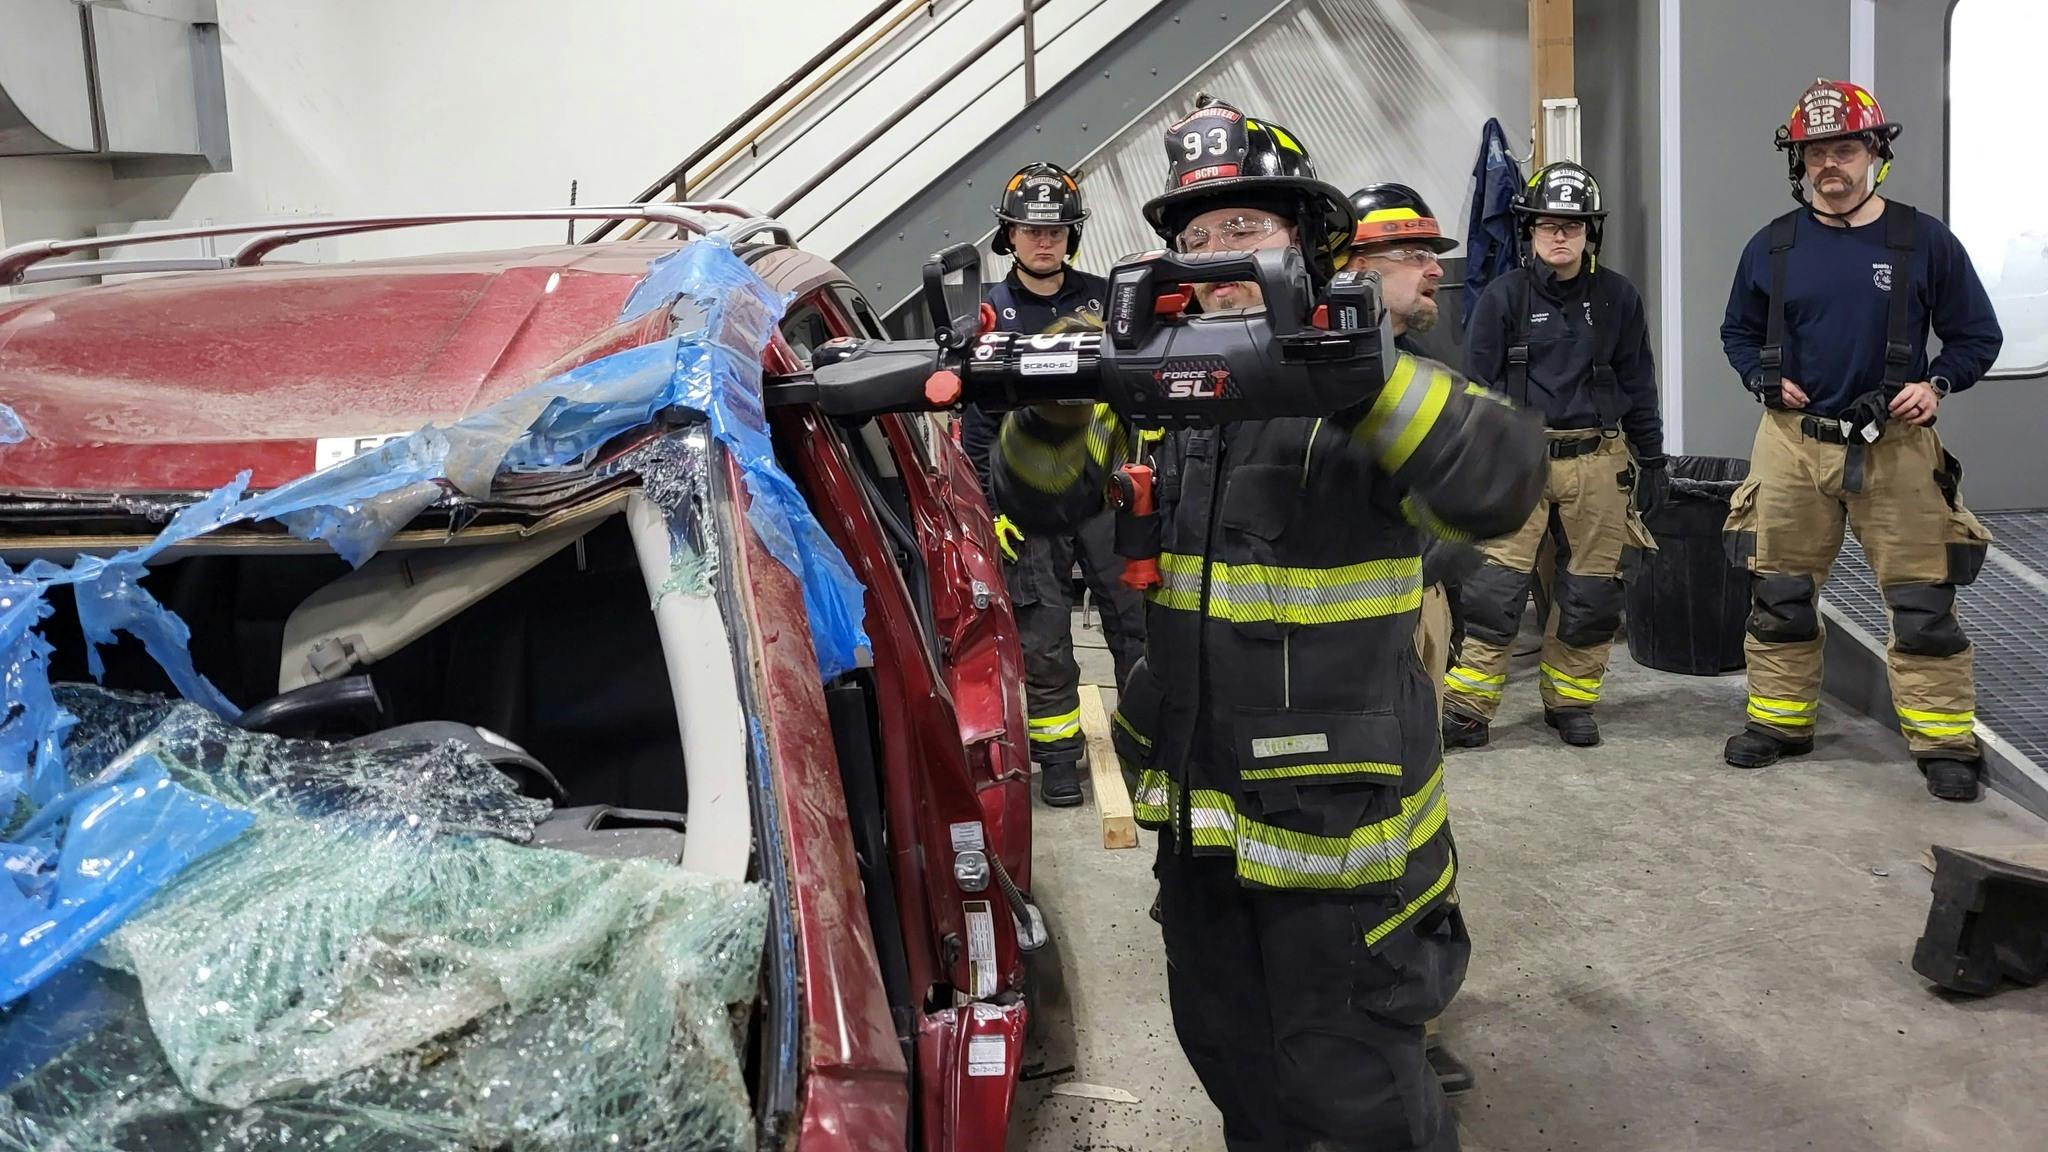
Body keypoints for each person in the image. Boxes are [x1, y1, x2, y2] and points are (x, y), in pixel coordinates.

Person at [997, 96, 1545, 1152]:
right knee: (1231, 1064)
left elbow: (1500, 482)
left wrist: (1355, 381)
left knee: (1355, 1100)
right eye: (1196, 235)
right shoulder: (1159, 388)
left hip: (1341, 856)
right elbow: (1039, 496)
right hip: (1202, 835)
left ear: (1306, 242)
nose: (1216, 255)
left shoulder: (1369, 378)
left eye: (1243, 227)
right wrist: (1060, 401)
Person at [1719, 78, 2001, 800]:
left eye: (1844, 150)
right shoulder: (1772, 245)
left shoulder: (1923, 240)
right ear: (1799, 162)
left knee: (1923, 599)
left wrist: (1936, 384)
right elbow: (1738, 331)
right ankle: (1780, 722)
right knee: (1779, 591)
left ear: (1874, 153)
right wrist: (1759, 376)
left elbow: (1977, 335)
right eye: (1815, 154)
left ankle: (1943, 741)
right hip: (1792, 444)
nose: (1830, 166)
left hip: (1898, 445)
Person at [1443, 161, 1664, 750]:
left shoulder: (1618, 298)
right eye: (1547, 224)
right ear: (1530, 231)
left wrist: (1653, 460)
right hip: (1517, 458)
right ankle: (1468, 708)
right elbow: (1475, 390)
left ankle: (1570, 703)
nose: (1560, 236)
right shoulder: (1502, 298)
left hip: (1597, 458)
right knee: (1493, 592)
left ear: (1591, 232)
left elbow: (1639, 383)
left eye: (1572, 225)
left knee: (1591, 593)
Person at [1346, 180, 1482, 1099]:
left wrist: (1422, 568)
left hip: (1413, 611)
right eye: (1413, 255)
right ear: (1355, 267)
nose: (1434, 269)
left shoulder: (1430, 366)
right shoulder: (1300, 376)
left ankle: (1415, 1020)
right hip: (1317, 636)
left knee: (1413, 814)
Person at [957, 161, 1144, 807]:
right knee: (1042, 635)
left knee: (1135, 622)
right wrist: (990, 507)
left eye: (1057, 231)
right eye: (1031, 230)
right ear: (1009, 235)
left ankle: (1143, 744)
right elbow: (977, 424)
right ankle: (1059, 758)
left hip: (1107, 495)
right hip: (1027, 504)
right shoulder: (986, 310)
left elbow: (1136, 396)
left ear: (1073, 236)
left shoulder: (1109, 299)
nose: (1045, 241)